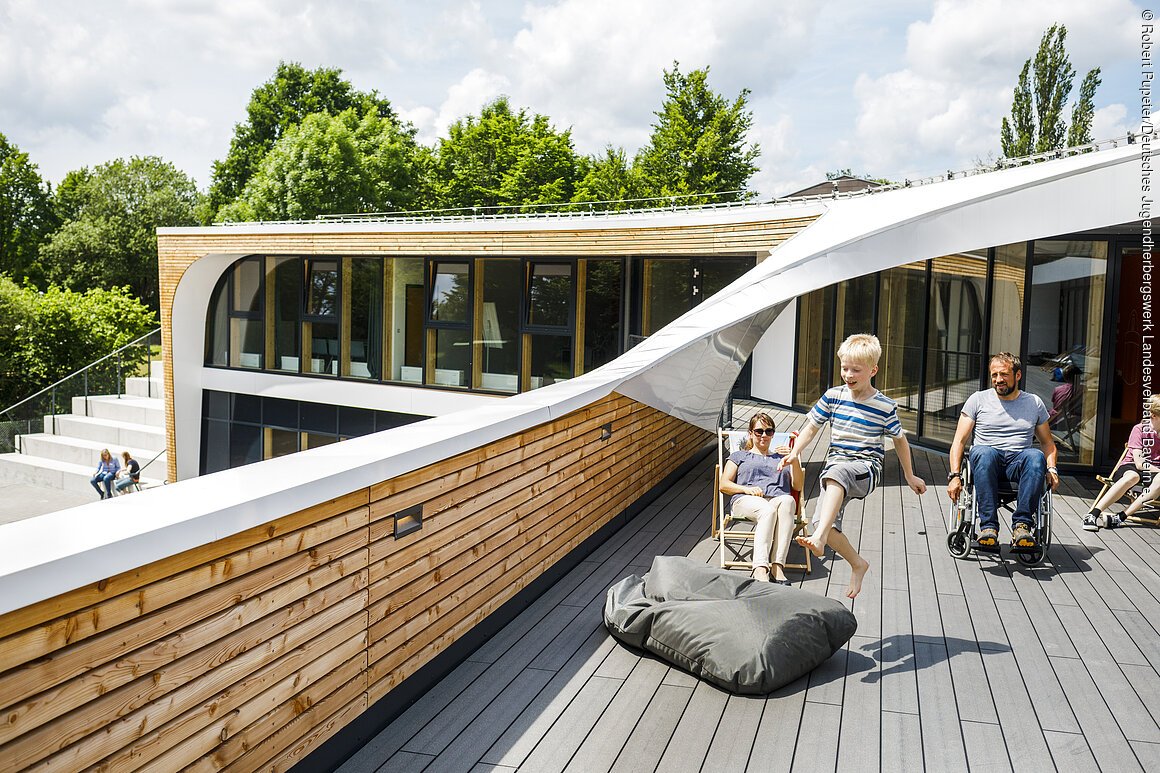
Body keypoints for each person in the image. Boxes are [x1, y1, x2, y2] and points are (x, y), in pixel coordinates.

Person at [779, 334, 926, 599]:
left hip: (866, 469)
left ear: (873, 370)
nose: (848, 374)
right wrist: (795, 452)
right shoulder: (833, 396)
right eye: (844, 368)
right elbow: (811, 428)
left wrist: (909, 474)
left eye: (856, 370)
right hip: (836, 469)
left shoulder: (884, 405)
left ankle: (820, 540)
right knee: (820, 520)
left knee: (836, 476)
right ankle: (857, 563)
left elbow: (900, 441)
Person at [947, 352, 1060, 548]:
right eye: (994, 375)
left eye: (1004, 374)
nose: (998, 380)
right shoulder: (978, 400)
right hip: (987, 461)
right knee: (983, 452)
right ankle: (988, 528)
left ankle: (1022, 526)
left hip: (1018, 462)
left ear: (1017, 375)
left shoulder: (1034, 403)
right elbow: (959, 441)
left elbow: (1048, 444)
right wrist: (955, 475)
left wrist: (1052, 468)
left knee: (1035, 456)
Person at [718, 412, 804, 585]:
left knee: (788, 501)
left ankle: (778, 566)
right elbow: (723, 484)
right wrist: (746, 489)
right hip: (745, 500)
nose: (764, 435)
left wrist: (793, 458)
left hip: (776, 499)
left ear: (773, 434)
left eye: (769, 431)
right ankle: (760, 568)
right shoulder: (739, 456)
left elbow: (798, 487)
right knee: (768, 509)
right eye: (759, 431)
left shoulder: (782, 458)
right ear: (750, 433)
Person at [1084, 394, 1160, 529]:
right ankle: (1093, 514)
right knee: (1133, 476)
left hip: (1154, 473)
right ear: (1153, 415)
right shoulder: (1140, 429)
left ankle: (1119, 517)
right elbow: (1139, 463)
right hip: (1132, 466)